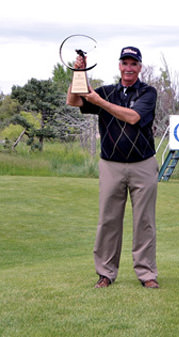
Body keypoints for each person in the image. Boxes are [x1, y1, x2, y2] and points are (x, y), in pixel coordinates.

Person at [66, 46, 160, 289]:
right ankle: (106, 273)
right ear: (119, 66)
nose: (128, 68)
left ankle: (147, 274)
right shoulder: (107, 91)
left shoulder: (148, 92)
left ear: (140, 67)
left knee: (144, 221)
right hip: (111, 166)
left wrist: (99, 102)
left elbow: (132, 117)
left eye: (133, 64)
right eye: (125, 63)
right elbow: (73, 100)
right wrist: (79, 73)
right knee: (108, 220)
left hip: (143, 164)